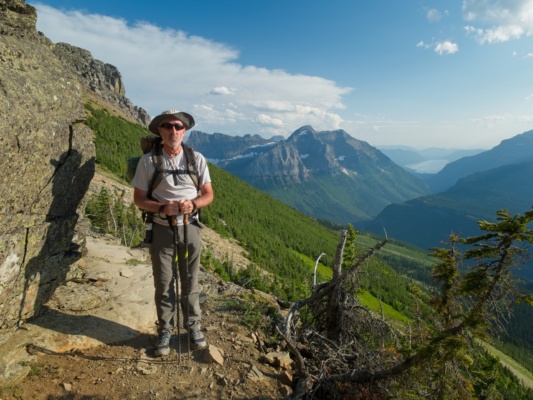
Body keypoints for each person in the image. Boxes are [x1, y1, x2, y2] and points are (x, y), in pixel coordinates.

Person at [132, 110, 214, 356]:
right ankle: (165, 330)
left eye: (178, 126)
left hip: (190, 226)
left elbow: (208, 194)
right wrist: (161, 208)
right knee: (164, 282)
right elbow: (139, 199)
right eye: (167, 126)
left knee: (190, 280)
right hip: (162, 228)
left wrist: (195, 204)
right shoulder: (148, 162)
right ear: (160, 131)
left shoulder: (196, 158)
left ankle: (192, 326)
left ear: (184, 130)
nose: (173, 131)